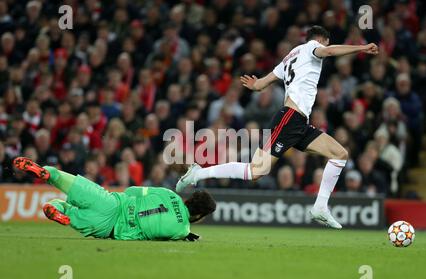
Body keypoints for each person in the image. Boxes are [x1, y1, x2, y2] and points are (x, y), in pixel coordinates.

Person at [176, 26, 378, 229]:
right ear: (322, 39)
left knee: (339, 153)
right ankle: (197, 174)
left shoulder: (289, 57)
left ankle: (320, 207)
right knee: (256, 171)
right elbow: (330, 51)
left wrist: (255, 85)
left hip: (300, 123)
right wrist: (361, 48)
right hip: (290, 118)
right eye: (325, 42)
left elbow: (261, 84)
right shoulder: (311, 47)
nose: (324, 47)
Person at [13, 157, 216, 241]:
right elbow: (179, 230)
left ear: (189, 198)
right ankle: (54, 208)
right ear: (199, 215)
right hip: (107, 228)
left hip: (111, 203)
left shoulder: (169, 194)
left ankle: (46, 173)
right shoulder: (181, 231)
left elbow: (132, 191)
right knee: (67, 210)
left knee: (64, 180)